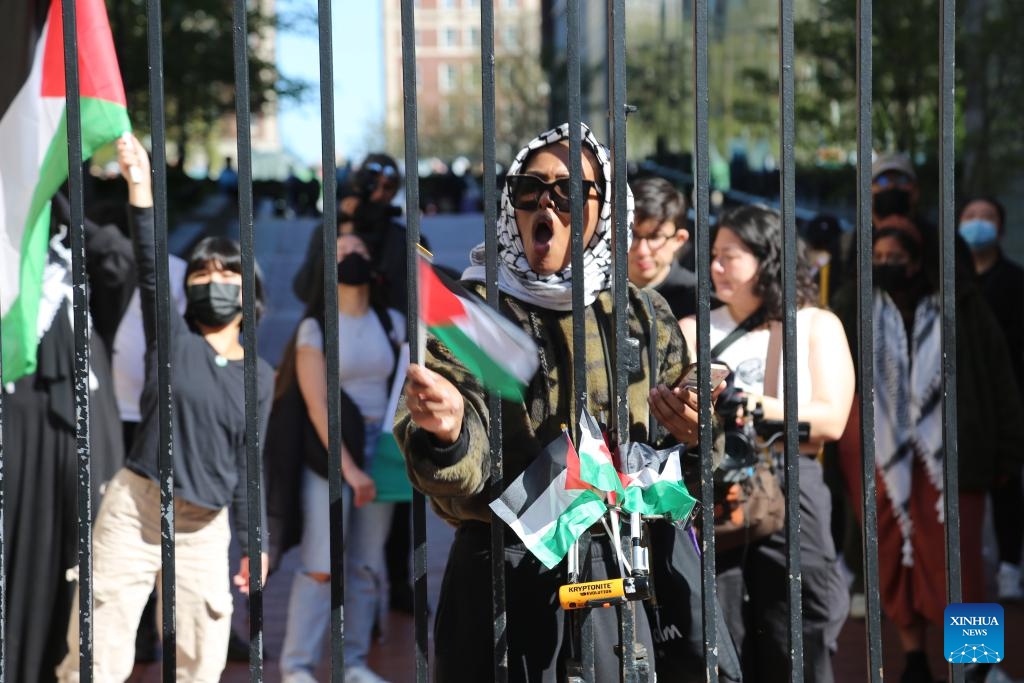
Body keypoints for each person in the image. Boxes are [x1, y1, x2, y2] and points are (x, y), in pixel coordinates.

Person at [395, 122, 712, 682]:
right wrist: (446, 433)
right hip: (501, 575)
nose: (547, 204)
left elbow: (675, 455)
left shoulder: (641, 314)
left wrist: (694, 430)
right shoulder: (474, 314)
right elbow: (455, 468)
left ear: (605, 207)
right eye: (530, 190)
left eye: (569, 191)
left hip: (618, 568)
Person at [56, 133, 273, 682]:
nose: (214, 282)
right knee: (96, 652)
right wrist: (140, 187)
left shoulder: (260, 377)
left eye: (227, 274)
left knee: (200, 661)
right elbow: (152, 264)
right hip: (134, 508)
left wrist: (255, 543)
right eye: (202, 273)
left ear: (250, 292)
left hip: (205, 527)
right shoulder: (171, 341)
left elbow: (251, 463)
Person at [832, 217, 1024, 683]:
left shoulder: (963, 307)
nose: (886, 266)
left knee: (960, 565)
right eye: (877, 259)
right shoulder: (852, 307)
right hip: (879, 458)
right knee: (893, 563)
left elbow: (999, 379)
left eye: (896, 258)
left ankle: (978, 664)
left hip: (951, 461)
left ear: (919, 262)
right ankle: (915, 659)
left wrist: (1006, 451)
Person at [679, 205, 854, 683]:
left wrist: (747, 403)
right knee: (722, 633)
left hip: (794, 485)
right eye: (713, 255)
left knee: (799, 630)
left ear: (767, 259)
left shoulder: (816, 324)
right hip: (718, 490)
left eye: (729, 256)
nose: (714, 266)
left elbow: (831, 420)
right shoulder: (693, 329)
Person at [1, 191, 133, 683]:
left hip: (82, 430)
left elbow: (121, 260)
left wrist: (62, 203)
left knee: (83, 561)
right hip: (16, 424)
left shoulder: (82, 265)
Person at [271, 230, 404, 683]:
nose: (353, 256)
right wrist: (349, 469)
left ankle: (353, 663)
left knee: (366, 564)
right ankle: (297, 667)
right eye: (342, 251)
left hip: (381, 451)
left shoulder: (392, 323)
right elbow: (316, 404)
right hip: (329, 454)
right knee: (323, 564)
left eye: (360, 249)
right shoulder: (316, 326)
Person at [958, 196, 1024, 601]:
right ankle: (916, 659)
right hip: (937, 451)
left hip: (977, 440)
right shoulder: (944, 295)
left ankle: (976, 662)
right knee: (951, 565)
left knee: (968, 571)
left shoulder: (1001, 292)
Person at [627, 176, 698, 319]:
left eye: (655, 237)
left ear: (679, 239)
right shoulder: (593, 289)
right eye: (632, 234)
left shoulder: (696, 298)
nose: (642, 250)